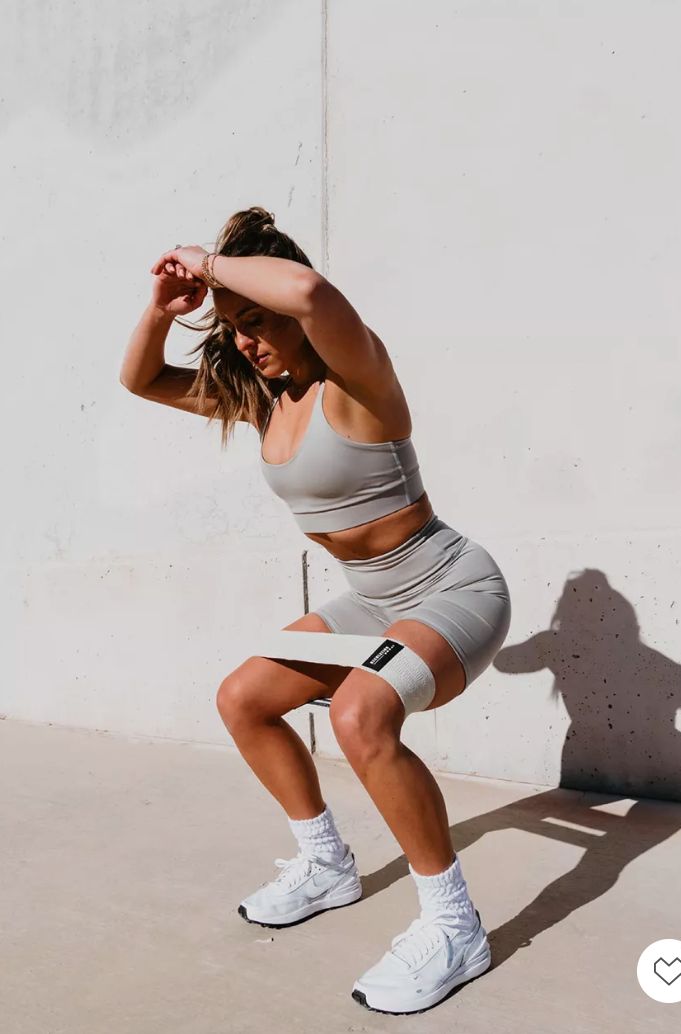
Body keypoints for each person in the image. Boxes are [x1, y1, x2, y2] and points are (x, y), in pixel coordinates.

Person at [119, 206, 512, 1015]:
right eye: (234, 330)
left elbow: (305, 286)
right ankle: (325, 863)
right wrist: (161, 311)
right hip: (371, 602)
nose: (248, 341)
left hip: (451, 588)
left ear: (294, 318)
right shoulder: (261, 400)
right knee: (244, 698)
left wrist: (208, 261)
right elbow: (141, 381)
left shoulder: (360, 376)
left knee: (361, 716)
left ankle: (454, 925)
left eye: (258, 323)